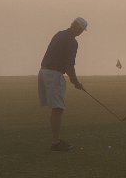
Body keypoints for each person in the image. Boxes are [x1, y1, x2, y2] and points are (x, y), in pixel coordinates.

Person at [39, 17, 88, 151]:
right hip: (54, 74)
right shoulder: (72, 42)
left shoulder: (59, 34)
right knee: (58, 108)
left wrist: (73, 80)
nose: (81, 33)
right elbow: (69, 66)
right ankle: (56, 142)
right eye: (82, 30)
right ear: (77, 28)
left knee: (56, 108)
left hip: (43, 72)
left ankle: (56, 140)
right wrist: (76, 82)